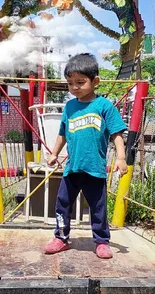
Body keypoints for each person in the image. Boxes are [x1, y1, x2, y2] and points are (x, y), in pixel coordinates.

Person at [44, 53, 128, 259]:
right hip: (72, 168)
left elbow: (117, 133)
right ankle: (61, 238)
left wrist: (121, 157)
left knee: (98, 208)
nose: (74, 87)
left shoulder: (104, 106)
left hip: (95, 169)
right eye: (70, 83)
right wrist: (54, 153)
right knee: (62, 204)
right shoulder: (70, 107)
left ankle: (101, 241)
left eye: (80, 82)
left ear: (95, 81)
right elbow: (62, 134)